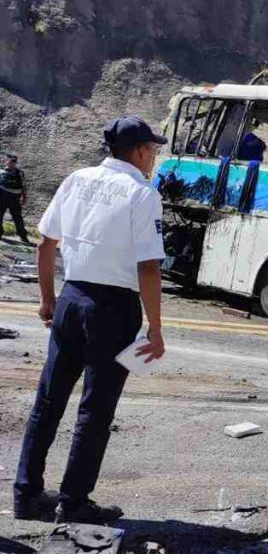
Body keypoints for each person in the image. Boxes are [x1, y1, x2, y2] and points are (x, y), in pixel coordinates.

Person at [13, 116, 168, 524]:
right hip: (113, 307)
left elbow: (46, 244)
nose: (153, 157)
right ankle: (74, 501)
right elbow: (148, 267)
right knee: (95, 410)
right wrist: (155, 326)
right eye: (152, 150)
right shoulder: (142, 193)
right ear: (138, 151)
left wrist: (48, 300)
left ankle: (26, 495)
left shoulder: (76, 179)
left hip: (72, 296)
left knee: (47, 402)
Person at [0, 153, 30, 244]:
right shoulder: (1, 172)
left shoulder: (20, 173)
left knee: (17, 218)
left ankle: (23, 236)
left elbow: (24, 186)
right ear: (5, 162)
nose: (12, 163)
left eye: (14, 161)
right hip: (2, 197)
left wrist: (24, 197)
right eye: (10, 161)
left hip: (15, 199)